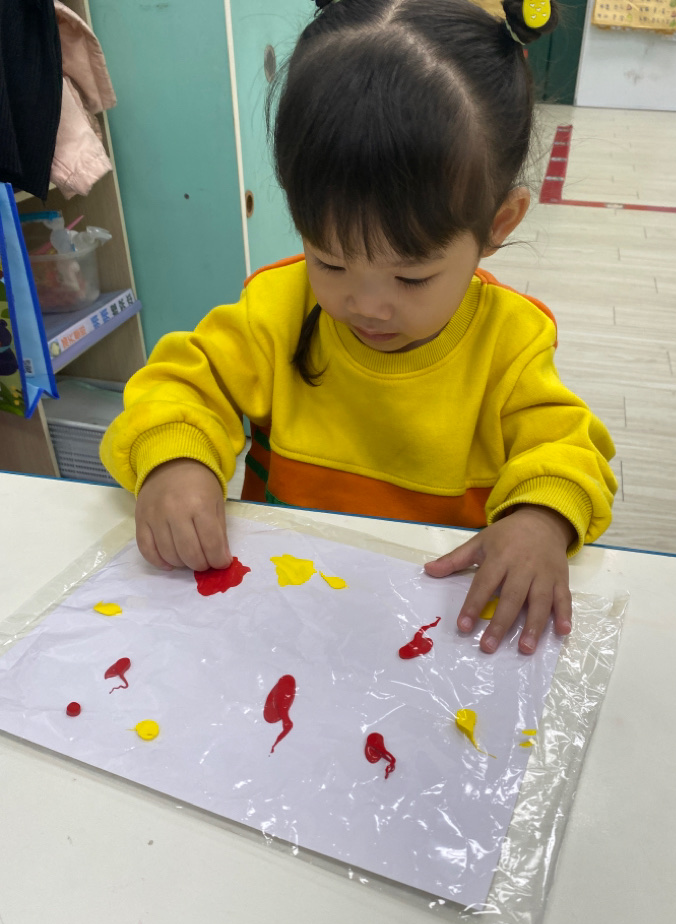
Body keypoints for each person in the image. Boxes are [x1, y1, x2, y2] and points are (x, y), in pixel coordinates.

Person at [101, 0, 617, 656]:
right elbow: (180, 387)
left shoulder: (509, 342)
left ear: (498, 225)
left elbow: (568, 452)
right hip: (288, 611)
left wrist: (540, 519)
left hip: (439, 624)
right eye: (331, 261)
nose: (367, 305)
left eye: (412, 278)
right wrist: (175, 459)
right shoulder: (277, 308)